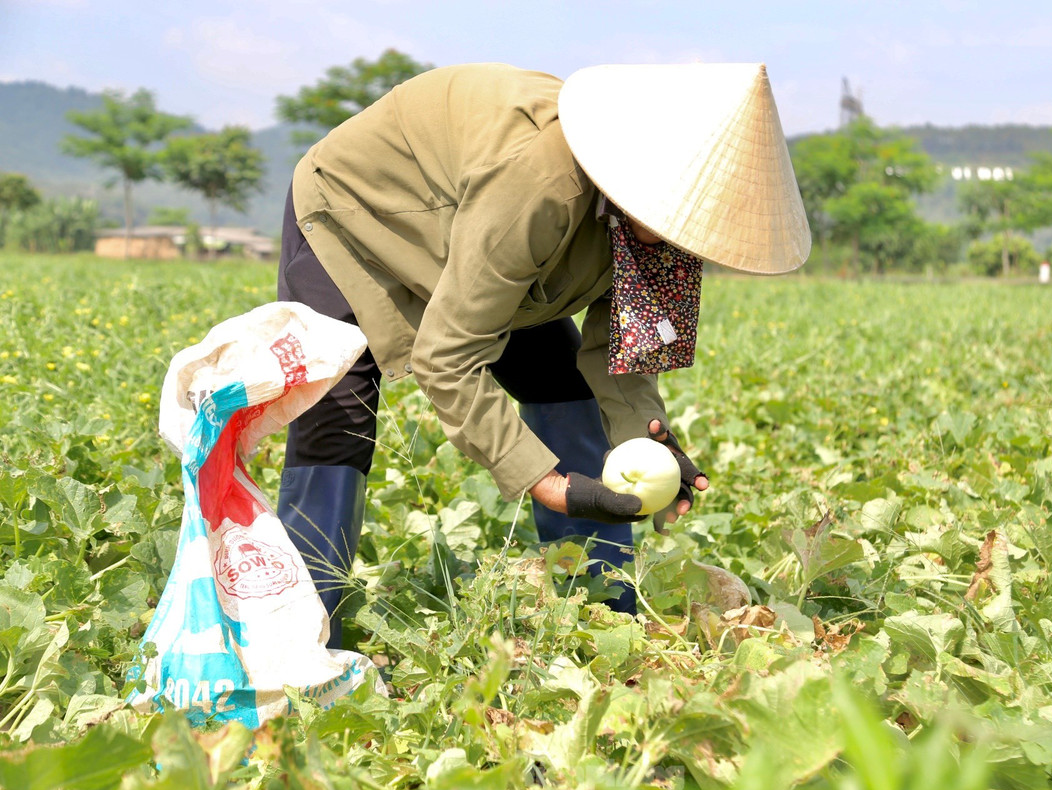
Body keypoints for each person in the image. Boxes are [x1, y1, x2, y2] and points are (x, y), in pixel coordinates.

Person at [275, 62, 811, 644]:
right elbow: (447, 357)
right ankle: (301, 634)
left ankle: (599, 610)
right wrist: (549, 482)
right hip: (357, 214)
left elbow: (622, 351)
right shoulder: (541, 184)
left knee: (564, 387)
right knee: (338, 416)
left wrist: (645, 439)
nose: (688, 237)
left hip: (485, 239)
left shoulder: (666, 233)